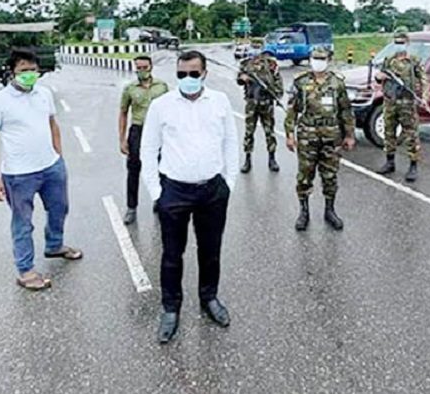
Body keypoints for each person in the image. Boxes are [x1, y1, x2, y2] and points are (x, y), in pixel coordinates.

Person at [140, 50, 239, 344]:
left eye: (193, 74)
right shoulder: (162, 105)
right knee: (172, 255)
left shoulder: (219, 101)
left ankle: (209, 298)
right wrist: (156, 193)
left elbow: (231, 142)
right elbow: (147, 149)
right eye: (182, 74)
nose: (187, 79)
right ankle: (171, 309)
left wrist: (229, 182)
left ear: (205, 74)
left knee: (210, 252)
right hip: (175, 191)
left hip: (212, 190)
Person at [0, 48, 82, 291]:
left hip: (51, 167)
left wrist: (59, 156)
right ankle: (25, 270)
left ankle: (54, 245)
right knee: (22, 223)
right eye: (23, 70)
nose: (29, 74)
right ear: (11, 73)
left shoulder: (44, 94)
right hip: (18, 175)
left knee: (60, 209)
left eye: (33, 70)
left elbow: (52, 124)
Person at [284, 48, 356, 231]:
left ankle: (330, 211)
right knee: (304, 177)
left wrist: (349, 135)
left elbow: (346, 110)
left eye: (321, 59)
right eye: (315, 58)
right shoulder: (301, 82)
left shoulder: (337, 83)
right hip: (308, 137)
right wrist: (290, 135)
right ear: (310, 60)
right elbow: (292, 110)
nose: (318, 62)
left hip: (332, 137)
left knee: (330, 176)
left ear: (328, 60)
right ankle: (304, 212)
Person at [375, 26, 430, 182]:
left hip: (407, 103)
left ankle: (413, 166)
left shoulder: (413, 61)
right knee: (389, 133)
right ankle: (390, 162)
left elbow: (424, 80)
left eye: (401, 41)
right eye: (396, 41)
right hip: (389, 102)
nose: (399, 44)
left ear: (407, 42)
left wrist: (425, 97)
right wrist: (380, 77)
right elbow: (379, 78)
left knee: (411, 135)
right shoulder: (388, 60)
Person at [118, 56, 169, 224]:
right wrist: (122, 139)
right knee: (134, 170)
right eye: (138, 68)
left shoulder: (161, 87)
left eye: (144, 67)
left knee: (162, 168)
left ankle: (159, 200)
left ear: (151, 67)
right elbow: (123, 113)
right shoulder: (130, 89)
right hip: (138, 131)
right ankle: (131, 208)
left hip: (159, 132)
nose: (142, 71)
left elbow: (171, 110)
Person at [237, 38, 284, 173]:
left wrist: (273, 93)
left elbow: (278, 83)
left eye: (258, 47)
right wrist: (243, 78)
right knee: (249, 132)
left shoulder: (271, 64)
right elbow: (239, 79)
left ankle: (272, 159)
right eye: (254, 47)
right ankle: (247, 160)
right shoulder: (246, 64)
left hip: (266, 103)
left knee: (269, 132)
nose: (256, 50)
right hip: (251, 103)